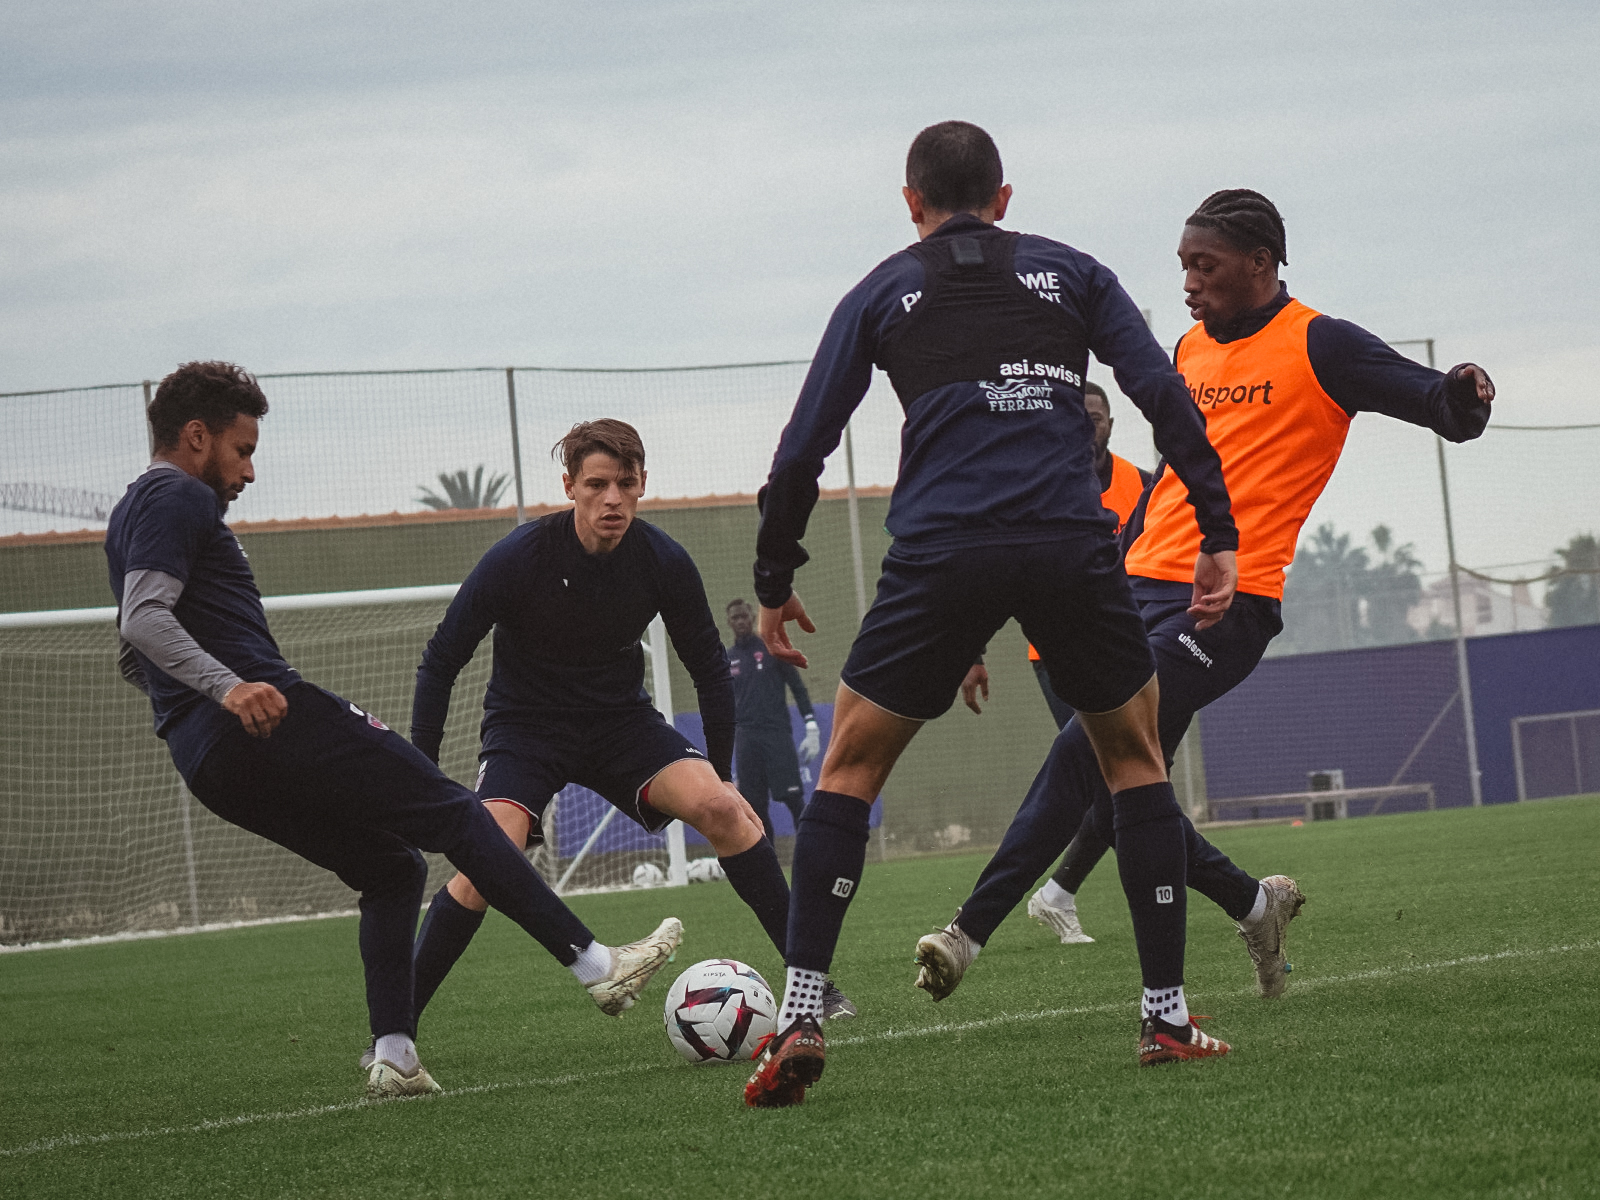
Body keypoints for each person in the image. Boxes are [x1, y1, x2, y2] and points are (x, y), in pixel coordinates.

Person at [922, 189, 1495, 1058]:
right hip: (1135, 585)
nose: (1188, 282)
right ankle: (1254, 907)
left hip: (1229, 606)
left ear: (1260, 263)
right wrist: (1121, 551)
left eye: (1206, 265)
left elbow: (1430, 401)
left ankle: (969, 932)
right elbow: (1177, 469)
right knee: (1130, 787)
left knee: (1091, 746)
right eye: (1183, 264)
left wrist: (1463, 393)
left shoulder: (1319, 342)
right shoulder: (1189, 348)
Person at [742, 121, 1240, 1107]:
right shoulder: (1073, 274)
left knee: (848, 766)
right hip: (1066, 539)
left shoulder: (884, 289)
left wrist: (773, 576)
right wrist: (1216, 528)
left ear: (911, 202)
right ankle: (1165, 1017)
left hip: (940, 552)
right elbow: (1161, 393)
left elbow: (801, 448)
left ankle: (800, 1012)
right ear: (1004, 198)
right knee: (1133, 759)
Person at [106, 363, 682, 1100]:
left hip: (204, 759)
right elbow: (144, 620)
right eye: (242, 449)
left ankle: (397, 1055)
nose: (250, 470)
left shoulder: (128, 513)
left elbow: (134, 652)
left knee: (391, 868)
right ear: (196, 437)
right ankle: (597, 965)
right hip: (266, 716)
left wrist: (194, 702)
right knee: (454, 811)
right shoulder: (178, 494)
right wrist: (231, 685)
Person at [406, 420, 854, 1022]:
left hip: (622, 725)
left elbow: (708, 670)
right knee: (487, 858)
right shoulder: (519, 557)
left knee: (726, 810)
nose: (611, 498)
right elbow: (440, 661)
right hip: (526, 730)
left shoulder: (663, 560)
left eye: (625, 483)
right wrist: (421, 773)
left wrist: (719, 775)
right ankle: (394, 1030)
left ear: (643, 484)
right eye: (596, 484)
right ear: (569, 487)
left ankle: (812, 991)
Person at [958, 380, 1151, 944]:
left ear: (1111, 423)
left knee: (1116, 778)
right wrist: (974, 652)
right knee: (1115, 776)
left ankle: (1057, 894)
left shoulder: (1139, 484)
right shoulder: (1042, 481)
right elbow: (1000, 564)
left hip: (1126, 649)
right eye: (1081, 415)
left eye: (1099, 416)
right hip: (1056, 651)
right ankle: (1057, 894)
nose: (1091, 424)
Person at [725, 597, 821, 843]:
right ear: (729, 622)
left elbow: (797, 687)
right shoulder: (727, 658)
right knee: (755, 807)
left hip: (776, 735)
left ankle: (809, 854)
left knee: (793, 799)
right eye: (735, 617)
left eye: (744, 616)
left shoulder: (771, 647)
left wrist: (811, 725)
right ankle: (770, 865)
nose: (740, 621)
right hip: (746, 739)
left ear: (753, 618)